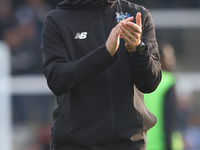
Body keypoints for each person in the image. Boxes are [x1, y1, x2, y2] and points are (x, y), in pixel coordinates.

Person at [41, 0, 161, 149]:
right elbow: (56, 80)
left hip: (130, 144)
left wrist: (137, 50)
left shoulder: (138, 14)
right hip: (75, 144)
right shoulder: (58, 19)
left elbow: (150, 83)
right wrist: (105, 53)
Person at [144, 43, 184, 150]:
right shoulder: (168, 81)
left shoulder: (141, 81)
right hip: (161, 145)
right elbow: (169, 119)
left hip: (141, 144)